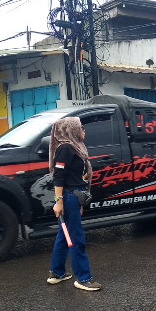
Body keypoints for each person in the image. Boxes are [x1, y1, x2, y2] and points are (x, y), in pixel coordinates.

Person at [47, 117, 101, 291]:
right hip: (68, 196)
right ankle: (83, 278)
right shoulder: (66, 148)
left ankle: (56, 273)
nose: (84, 130)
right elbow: (58, 177)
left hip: (74, 197)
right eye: (80, 127)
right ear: (71, 130)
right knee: (77, 238)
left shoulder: (77, 147)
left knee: (64, 235)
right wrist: (59, 202)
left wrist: (79, 204)